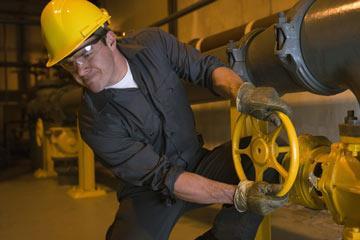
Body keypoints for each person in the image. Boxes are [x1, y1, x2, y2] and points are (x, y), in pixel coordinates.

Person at [40, 0, 291, 239]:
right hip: (147, 191)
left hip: (196, 161)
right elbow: (164, 178)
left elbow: (205, 68)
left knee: (266, 155)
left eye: (85, 53)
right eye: (69, 64)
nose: (80, 71)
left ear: (109, 39)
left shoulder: (153, 44)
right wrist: (239, 195)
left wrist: (242, 92)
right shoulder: (93, 122)